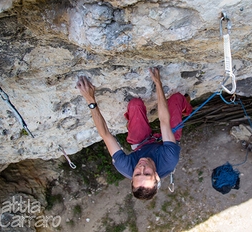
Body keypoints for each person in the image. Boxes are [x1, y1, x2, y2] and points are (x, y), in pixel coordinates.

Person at [76, 68, 192, 200]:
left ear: (131, 179)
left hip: (142, 143)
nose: (141, 167)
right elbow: (164, 121)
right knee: (176, 99)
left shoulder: (124, 166)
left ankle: (132, 121)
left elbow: (106, 135)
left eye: (137, 174)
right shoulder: (169, 159)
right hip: (168, 143)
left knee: (135, 105)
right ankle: (185, 107)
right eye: (147, 173)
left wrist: (90, 101)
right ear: (157, 176)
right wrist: (157, 83)